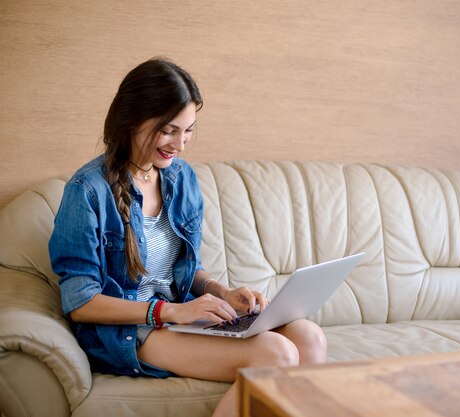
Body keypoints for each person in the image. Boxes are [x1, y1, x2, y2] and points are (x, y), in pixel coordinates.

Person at [48, 58, 327, 417]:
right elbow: (80, 302)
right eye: (169, 130)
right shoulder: (87, 190)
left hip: (180, 317)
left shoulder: (181, 178)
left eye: (189, 130)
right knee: (277, 352)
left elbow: (180, 270)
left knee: (308, 336)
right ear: (132, 120)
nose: (180, 144)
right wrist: (170, 312)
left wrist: (221, 292)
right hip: (129, 332)